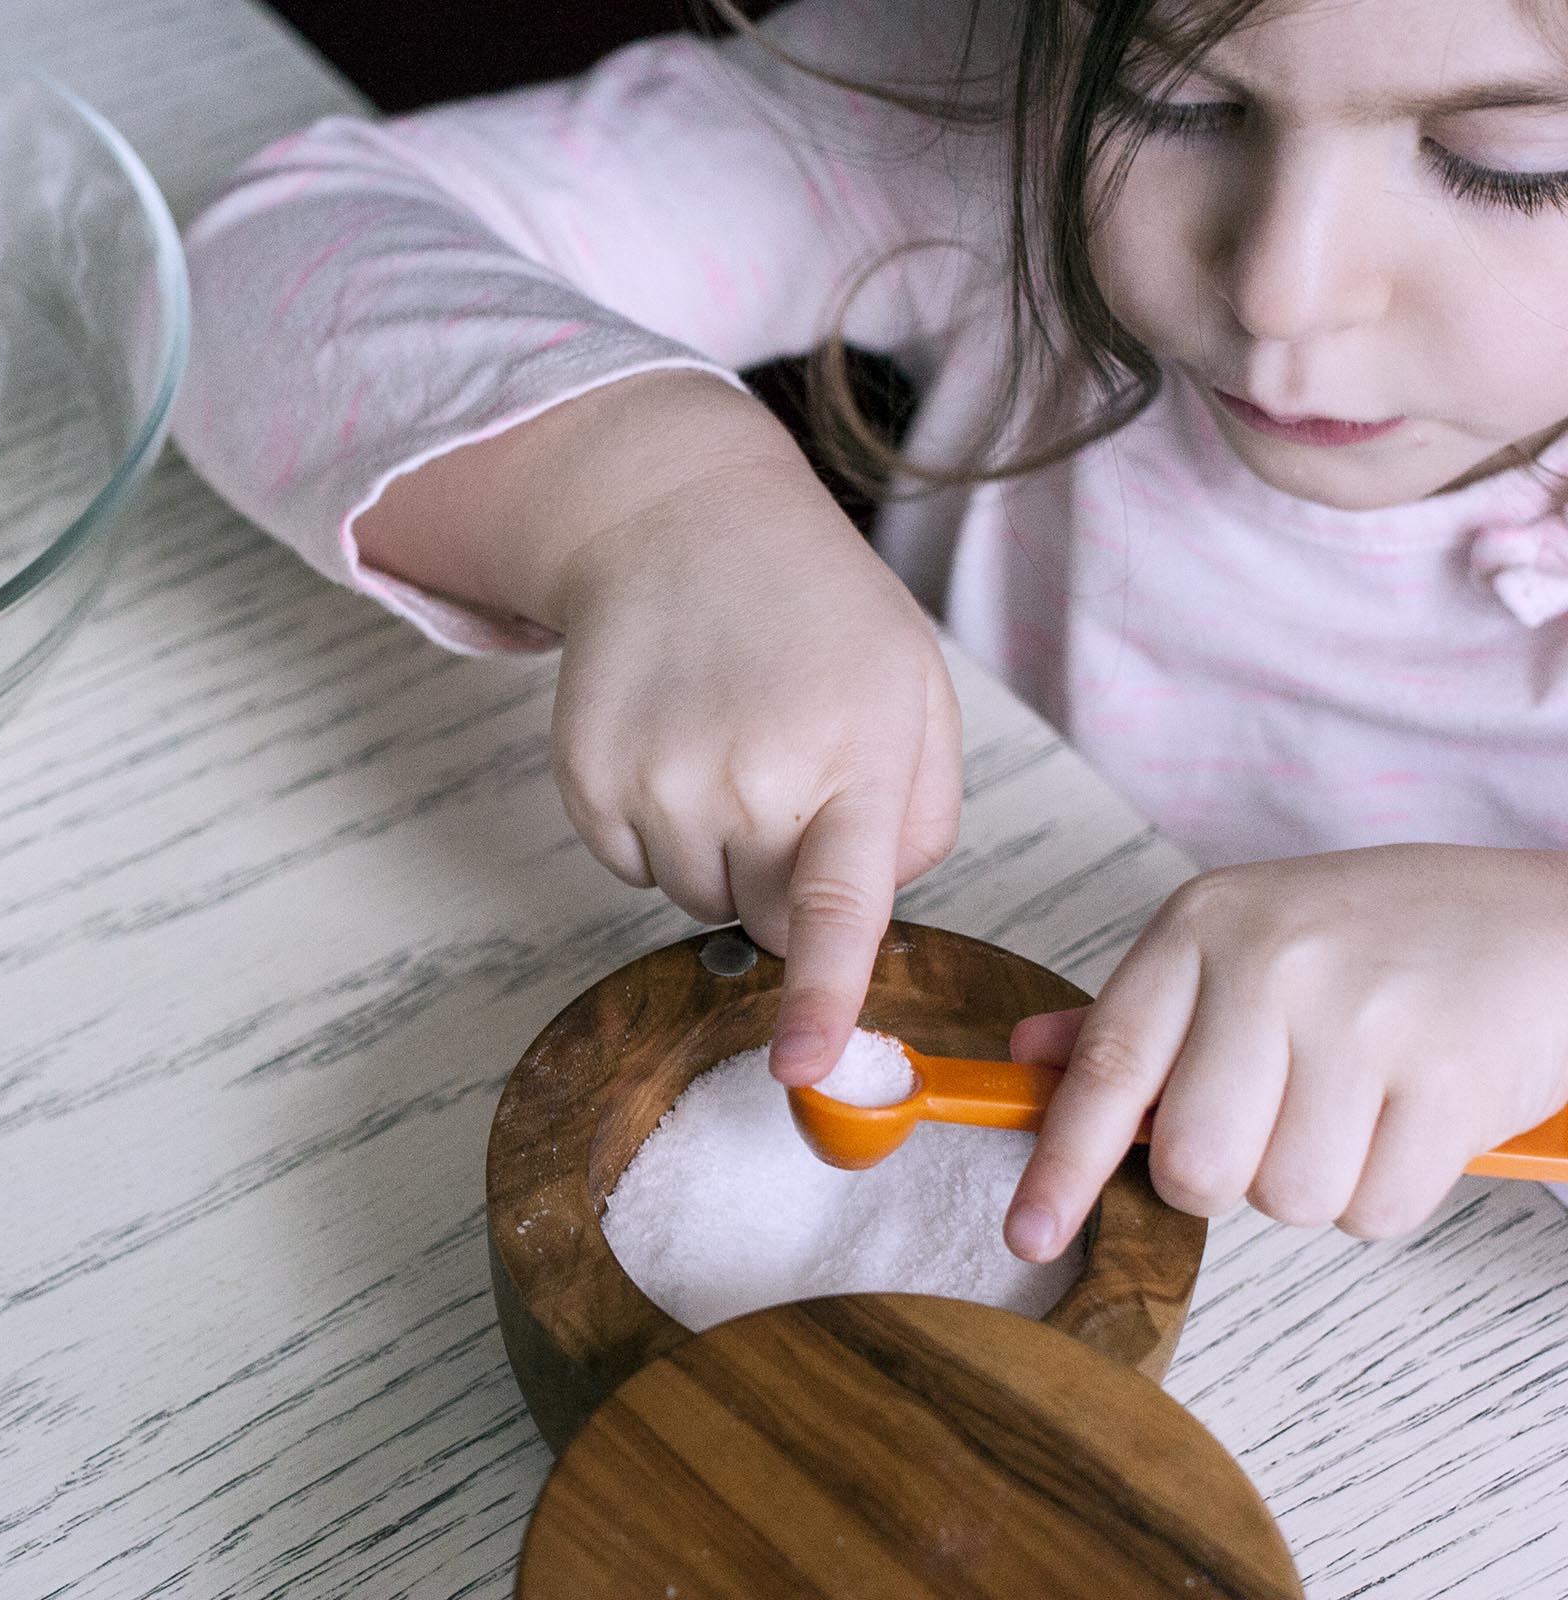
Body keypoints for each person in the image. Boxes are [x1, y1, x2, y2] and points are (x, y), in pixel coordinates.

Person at [172, 0, 1568, 1260]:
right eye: (1170, 99)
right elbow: (252, 264)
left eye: (1512, 159)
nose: (1281, 289)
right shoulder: (993, 114)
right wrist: (648, 497)